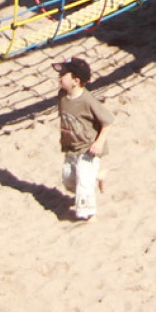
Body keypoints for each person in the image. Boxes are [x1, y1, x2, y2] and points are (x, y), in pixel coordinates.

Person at [54, 56, 112, 222]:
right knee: (69, 180)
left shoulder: (87, 100)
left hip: (88, 149)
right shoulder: (62, 95)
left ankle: (89, 215)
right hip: (72, 147)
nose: (59, 78)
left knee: (84, 185)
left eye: (63, 75)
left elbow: (108, 121)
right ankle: (98, 175)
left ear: (75, 80)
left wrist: (99, 143)